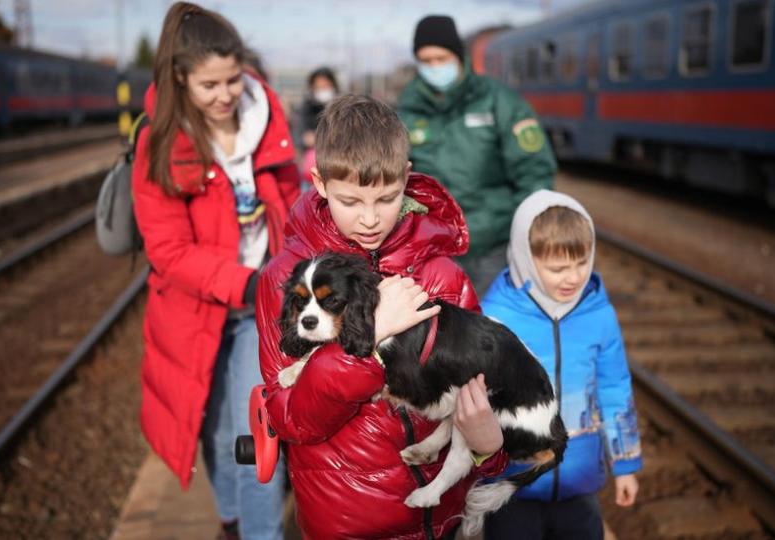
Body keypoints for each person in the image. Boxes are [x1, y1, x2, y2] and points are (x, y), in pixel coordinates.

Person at [256, 94, 509, 540]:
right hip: (349, 524)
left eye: (388, 198)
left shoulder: (440, 275)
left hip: (442, 519)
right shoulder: (287, 281)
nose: (371, 219)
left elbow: (481, 390)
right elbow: (290, 417)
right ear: (318, 182)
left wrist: (491, 449)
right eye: (351, 201)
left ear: (406, 179)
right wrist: (370, 339)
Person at [131, 3, 300, 539]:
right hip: (196, 311)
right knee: (216, 435)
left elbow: (293, 200)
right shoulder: (160, 142)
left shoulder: (265, 117)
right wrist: (243, 280)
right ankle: (231, 521)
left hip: (260, 310)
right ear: (180, 78)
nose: (226, 94)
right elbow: (169, 250)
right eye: (209, 85)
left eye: (233, 78)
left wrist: (291, 268)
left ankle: (260, 533)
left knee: (256, 437)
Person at [480, 190, 642, 539]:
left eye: (582, 264)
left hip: (578, 483)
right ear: (525, 259)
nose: (573, 277)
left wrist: (625, 463)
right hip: (511, 485)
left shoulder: (599, 313)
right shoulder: (497, 316)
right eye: (558, 268)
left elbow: (614, 387)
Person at [397, 15, 558, 294]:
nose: (435, 67)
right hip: (433, 248)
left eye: (441, 58)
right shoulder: (407, 111)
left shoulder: (499, 101)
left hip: (494, 246)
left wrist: (526, 231)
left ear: (458, 56)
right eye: (426, 60)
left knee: (492, 326)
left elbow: (534, 171)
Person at [292, 67, 339, 188]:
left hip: (337, 169)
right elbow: (296, 137)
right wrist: (304, 140)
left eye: (325, 86)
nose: (322, 91)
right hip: (309, 171)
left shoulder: (342, 110)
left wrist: (321, 139)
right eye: (318, 88)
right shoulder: (304, 110)